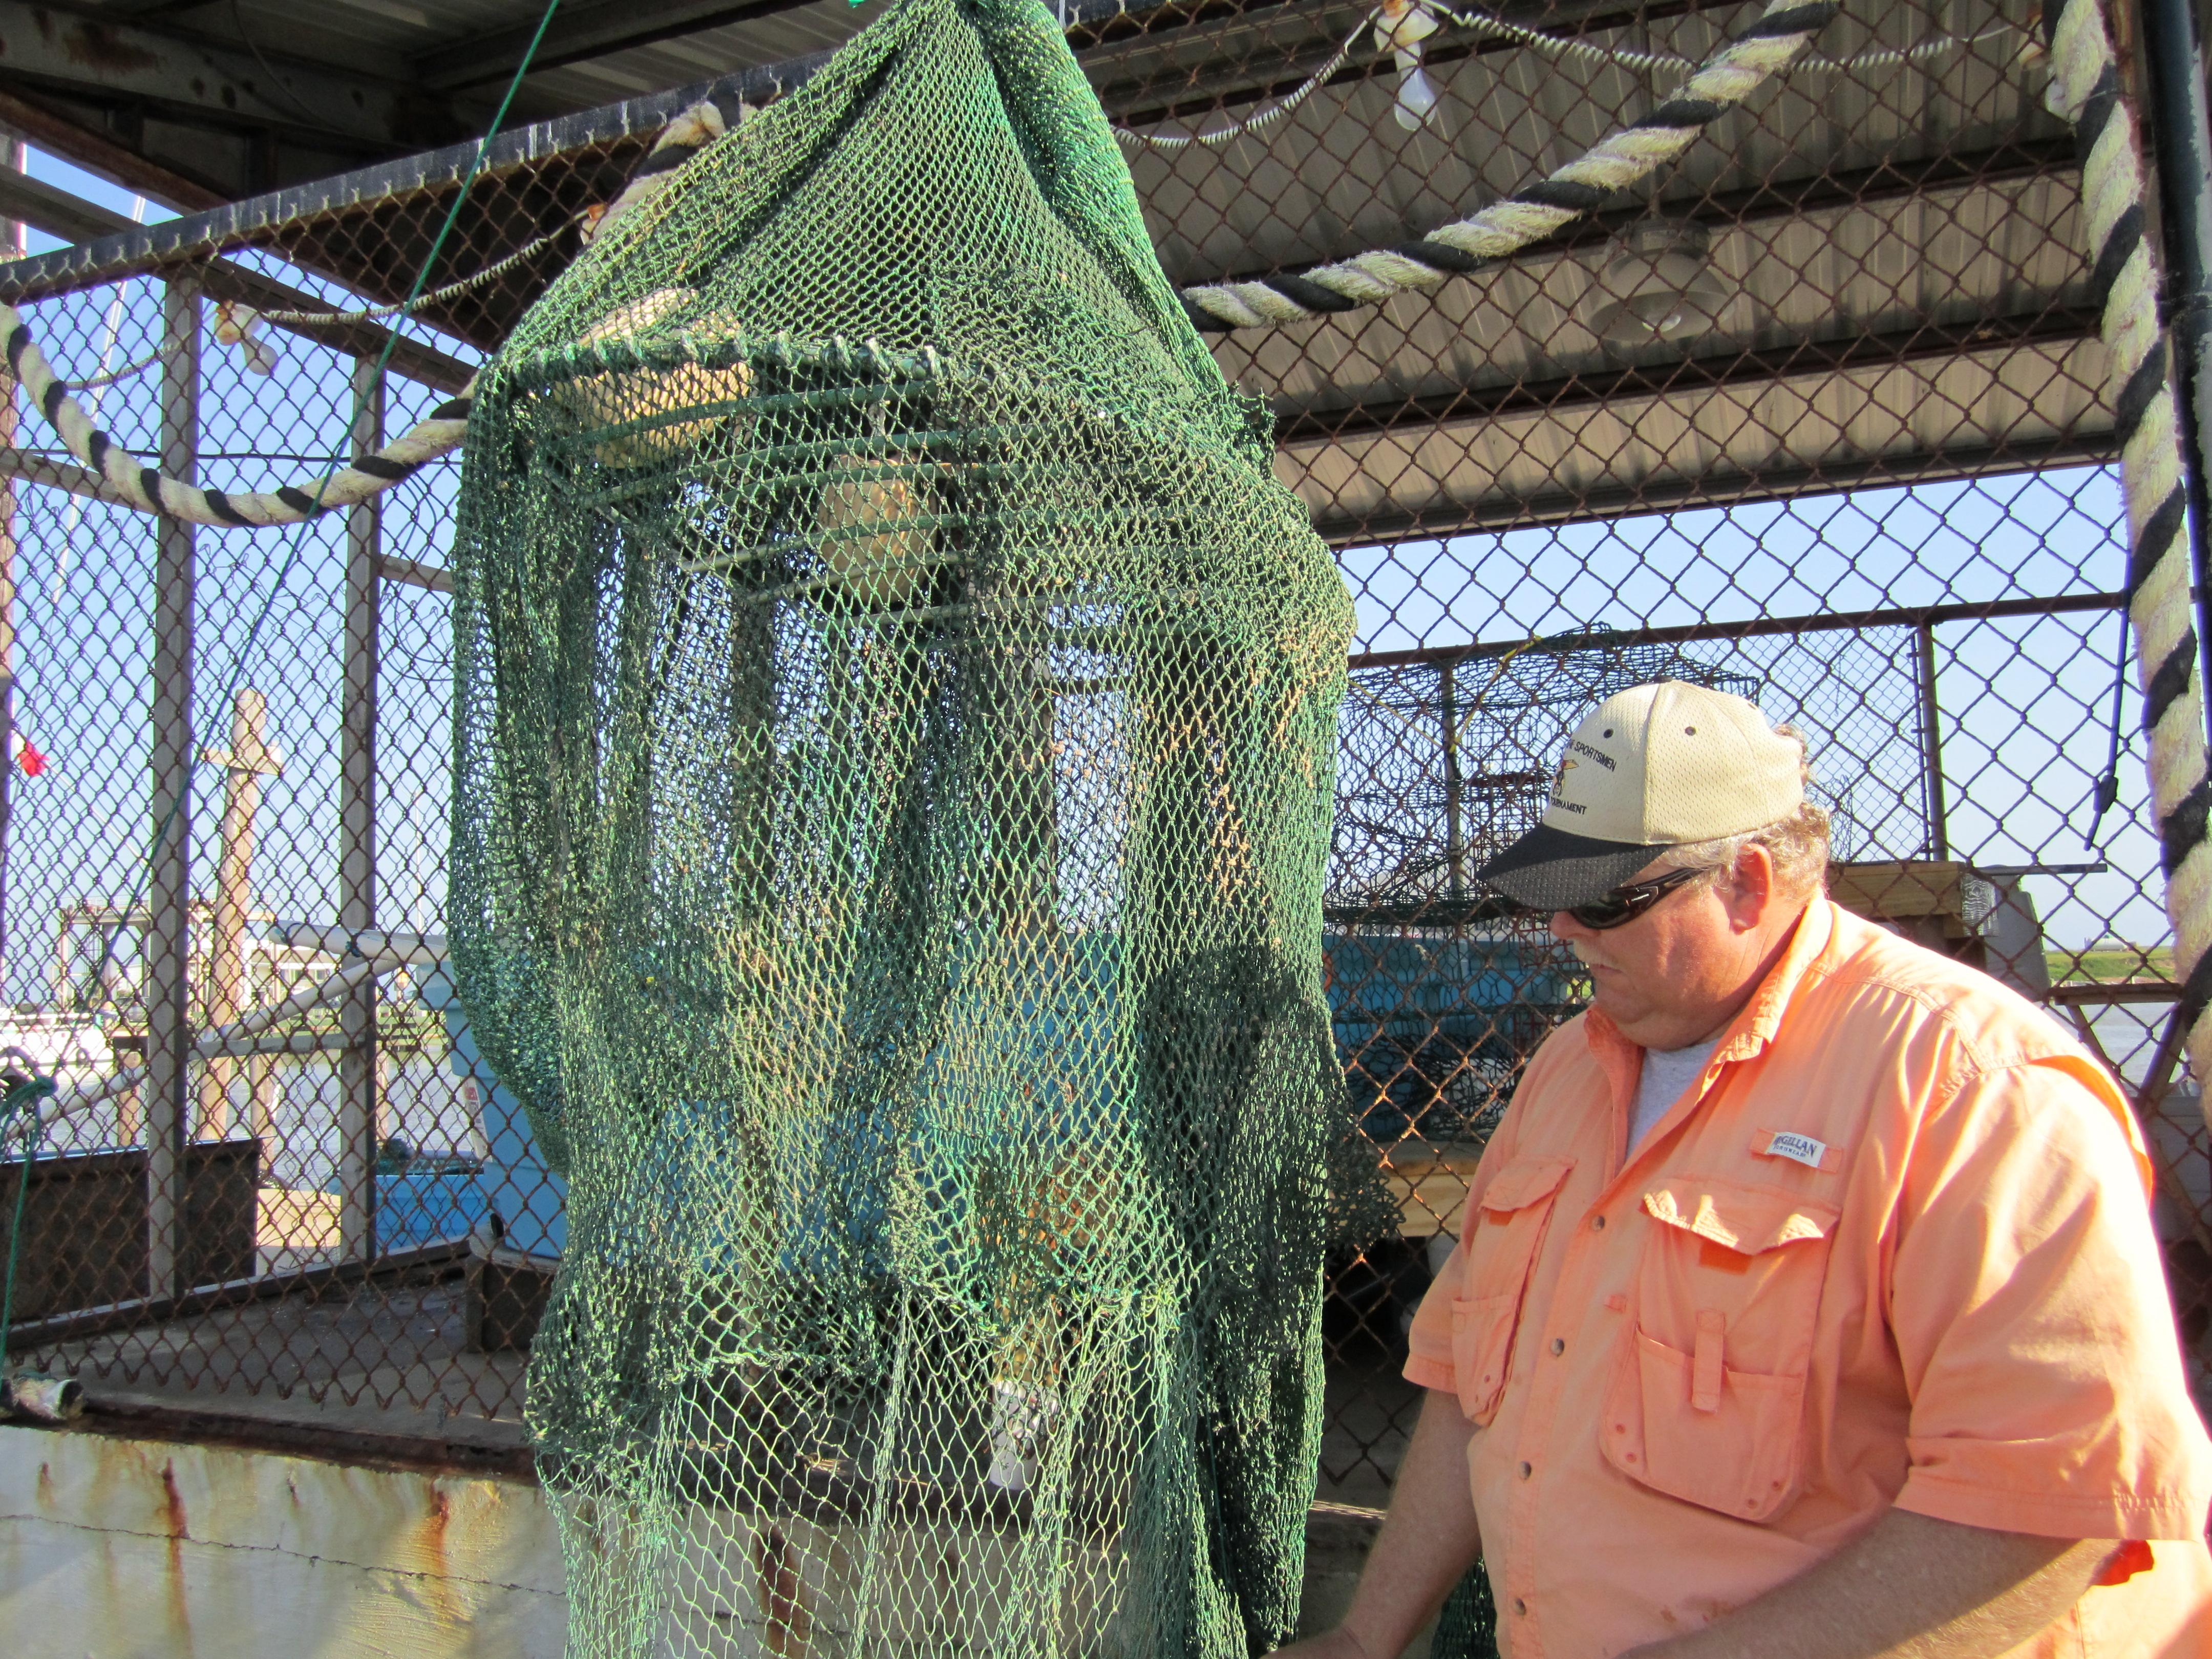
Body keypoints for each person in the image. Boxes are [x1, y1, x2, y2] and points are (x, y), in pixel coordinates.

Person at [1282, 680, 2212, 1659]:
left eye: (1605, 897)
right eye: (1550, 894)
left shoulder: (1973, 1089)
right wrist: (1367, 1636)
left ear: (1748, 883)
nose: (1562, 930)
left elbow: (2052, 1504)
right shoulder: (1566, 1072)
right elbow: (1471, 1382)